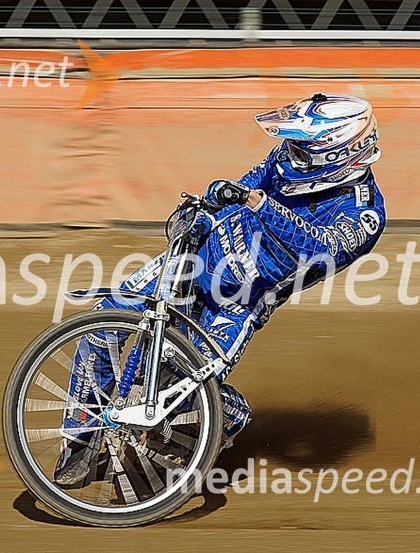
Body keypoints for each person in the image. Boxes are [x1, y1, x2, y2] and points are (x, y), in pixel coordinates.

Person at [55, 93, 387, 486]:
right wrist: (203, 208)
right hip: (194, 259)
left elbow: (318, 247)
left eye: (304, 148)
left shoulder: (365, 214)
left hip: (237, 306)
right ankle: (81, 440)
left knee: (179, 389)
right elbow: (242, 187)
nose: (291, 154)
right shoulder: (285, 160)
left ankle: (227, 415)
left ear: (338, 153)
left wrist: (260, 204)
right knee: (103, 322)